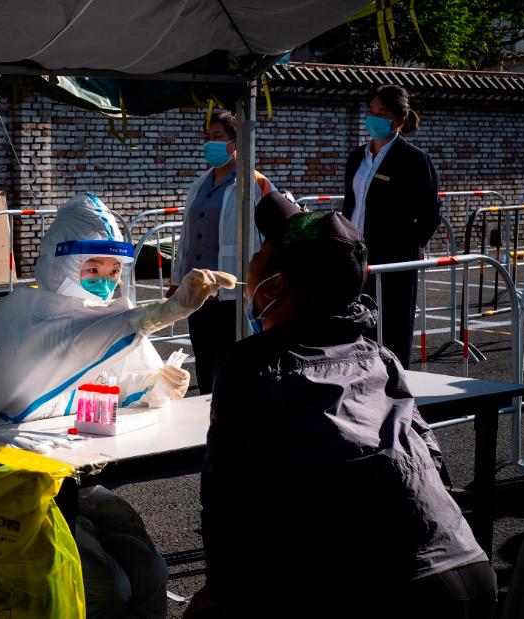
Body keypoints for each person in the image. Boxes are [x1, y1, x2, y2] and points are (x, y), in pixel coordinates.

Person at [186, 192, 494, 619]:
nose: (251, 261)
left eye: (261, 252)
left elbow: (225, 494)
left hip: (385, 587)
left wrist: (218, 588)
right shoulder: (378, 356)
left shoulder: (252, 363)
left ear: (275, 286)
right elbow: (431, 457)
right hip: (465, 562)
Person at [0, 192, 235, 618]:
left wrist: (159, 385)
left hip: (78, 474)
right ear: (60, 264)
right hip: (17, 481)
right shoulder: (24, 315)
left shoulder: (105, 316)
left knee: (150, 570)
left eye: (114, 270)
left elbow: (125, 381)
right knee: (107, 588)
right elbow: (74, 341)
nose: (105, 278)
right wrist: (166, 311)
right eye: (92, 268)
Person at [167, 110, 275, 394]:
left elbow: (272, 231)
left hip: (233, 291)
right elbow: (188, 236)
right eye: (207, 138)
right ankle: (207, 418)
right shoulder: (200, 184)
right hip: (198, 289)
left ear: (235, 142)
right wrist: (177, 280)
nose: (210, 144)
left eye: (217, 137)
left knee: (233, 360)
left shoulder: (253, 182)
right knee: (204, 359)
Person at [343, 84, 441, 369]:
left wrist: (406, 246)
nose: (373, 118)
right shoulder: (357, 157)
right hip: (355, 258)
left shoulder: (413, 160)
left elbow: (429, 214)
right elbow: (351, 204)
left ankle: (396, 394)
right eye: (371, 112)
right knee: (355, 327)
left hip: (393, 262)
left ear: (399, 120)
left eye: (382, 113)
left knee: (391, 333)